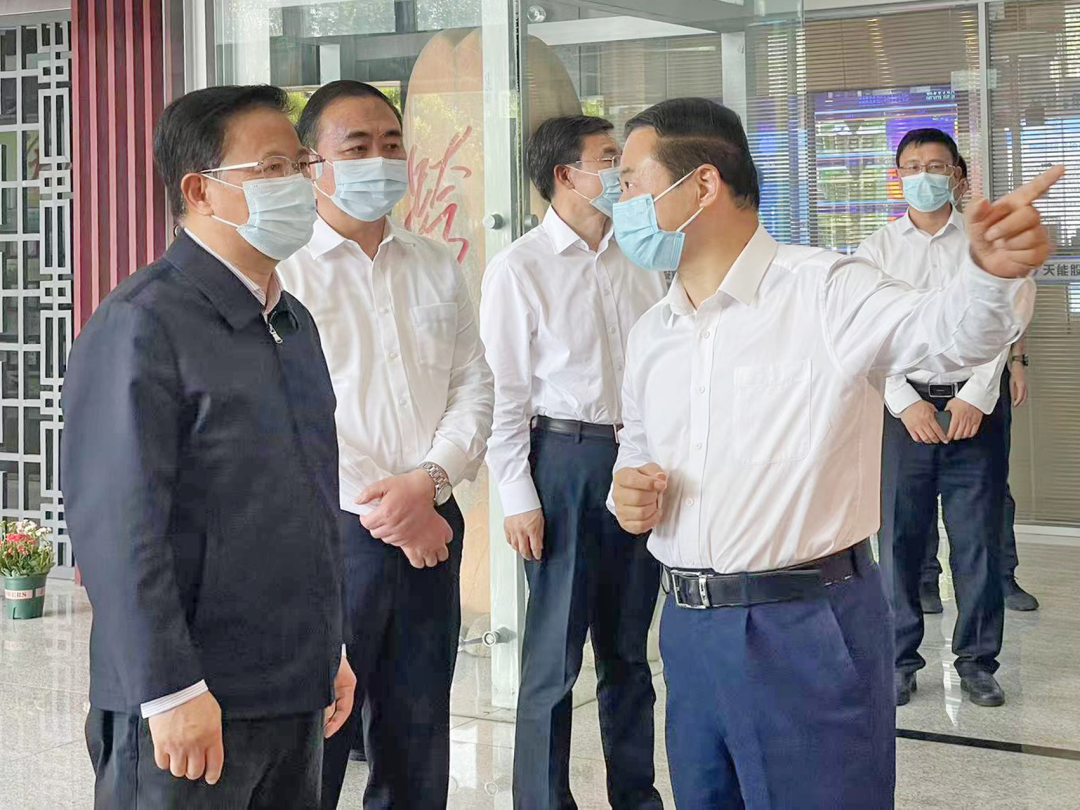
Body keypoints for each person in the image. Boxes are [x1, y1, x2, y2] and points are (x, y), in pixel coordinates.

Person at [607, 97, 1056, 809]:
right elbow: (636, 445)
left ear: (702, 185)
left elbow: (946, 333)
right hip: (688, 633)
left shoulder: (824, 289)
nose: (620, 201)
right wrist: (628, 491)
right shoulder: (653, 331)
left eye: (631, 181)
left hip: (804, 625)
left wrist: (990, 275)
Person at [61, 84, 355, 810]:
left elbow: (309, 502)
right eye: (273, 167)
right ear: (200, 191)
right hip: (189, 703)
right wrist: (169, 688)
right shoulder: (142, 324)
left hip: (292, 688)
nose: (300, 183)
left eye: (302, 164)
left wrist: (330, 649)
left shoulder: (291, 322)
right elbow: (118, 530)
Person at [277, 80, 494, 810]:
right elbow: (294, 412)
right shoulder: (284, 272)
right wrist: (390, 507)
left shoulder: (434, 261)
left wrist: (428, 482)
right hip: (331, 532)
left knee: (418, 731)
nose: (380, 158)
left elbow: (474, 384)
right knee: (319, 735)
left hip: (434, 519)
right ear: (311, 164)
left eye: (392, 144)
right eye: (358, 147)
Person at [480, 115, 667, 810]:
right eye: (609, 159)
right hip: (563, 461)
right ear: (566, 175)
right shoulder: (519, 268)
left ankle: (636, 797)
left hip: (637, 458)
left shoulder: (643, 256)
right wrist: (517, 496)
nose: (622, 173)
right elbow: (503, 394)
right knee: (554, 658)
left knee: (629, 653)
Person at [859, 128, 1015, 709]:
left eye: (936, 165)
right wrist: (904, 401)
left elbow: (1004, 319)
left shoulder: (983, 241)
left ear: (958, 175)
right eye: (912, 166)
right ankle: (899, 660)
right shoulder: (875, 250)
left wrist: (977, 394)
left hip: (976, 411)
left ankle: (977, 662)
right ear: (897, 176)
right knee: (898, 541)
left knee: (978, 542)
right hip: (905, 414)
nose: (923, 175)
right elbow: (865, 334)